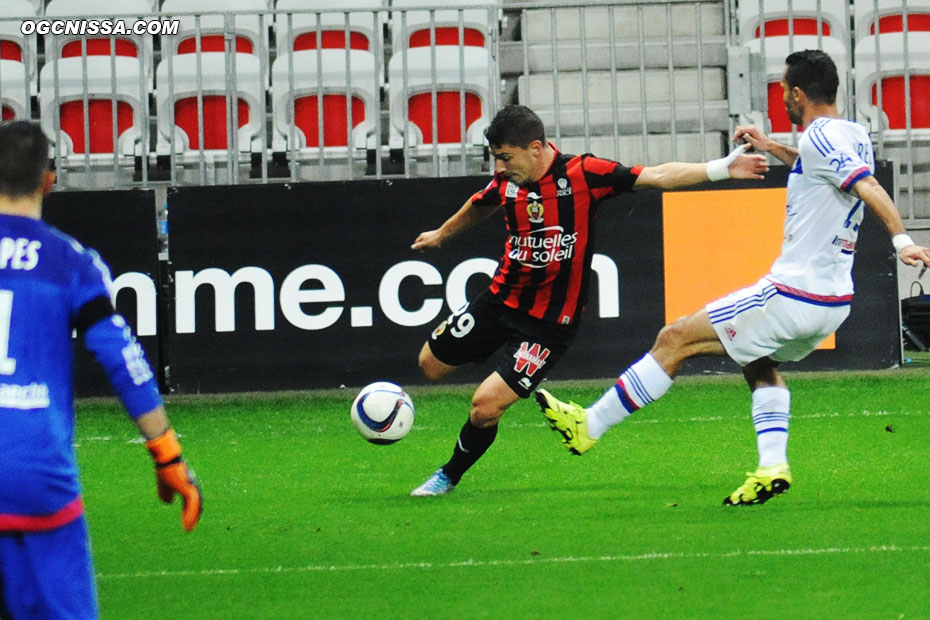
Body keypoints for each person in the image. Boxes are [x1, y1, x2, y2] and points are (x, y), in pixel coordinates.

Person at [536, 50, 930, 506]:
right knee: (759, 364)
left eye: (783, 89)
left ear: (799, 94)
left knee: (675, 337)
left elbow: (868, 186)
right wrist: (770, 146)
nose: (781, 97)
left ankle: (589, 426)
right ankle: (771, 466)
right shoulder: (853, 133)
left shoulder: (822, 138)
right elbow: (820, 167)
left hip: (792, 294)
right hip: (832, 301)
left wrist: (902, 240)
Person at [408, 104, 770, 496]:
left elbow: (658, 175)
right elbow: (483, 202)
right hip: (497, 301)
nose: (499, 168)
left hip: (547, 326)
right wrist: (442, 233)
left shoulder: (585, 174)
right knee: (429, 366)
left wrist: (721, 169)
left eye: (505, 158)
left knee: (484, 407)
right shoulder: (510, 179)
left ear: (535, 147)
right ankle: (491, 358)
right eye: (496, 159)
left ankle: (448, 475)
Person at [0, 120, 203, 619]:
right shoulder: (69, 262)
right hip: (35, 471)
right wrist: (167, 454)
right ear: (49, 179)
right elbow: (123, 359)